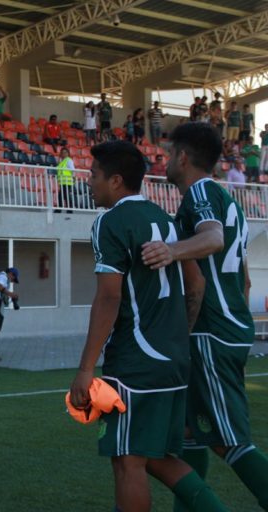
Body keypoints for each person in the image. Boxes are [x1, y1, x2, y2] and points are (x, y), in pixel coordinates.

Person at [68, 140, 226, 512]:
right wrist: (178, 336)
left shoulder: (110, 221)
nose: (89, 183)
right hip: (172, 359)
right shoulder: (165, 219)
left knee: (128, 461)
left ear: (116, 181)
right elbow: (196, 283)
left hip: (136, 363)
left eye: (93, 176)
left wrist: (86, 369)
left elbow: (109, 298)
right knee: (156, 458)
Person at [140, 122, 268, 512]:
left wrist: (170, 250)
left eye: (169, 151)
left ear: (183, 156)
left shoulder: (200, 193)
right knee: (189, 433)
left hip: (212, 332)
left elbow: (213, 238)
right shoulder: (228, 201)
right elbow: (244, 280)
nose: (163, 158)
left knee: (229, 439)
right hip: (223, 328)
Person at [55, 147, 75, 212]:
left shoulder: (68, 160)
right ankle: (68, 209)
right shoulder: (61, 161)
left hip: (67, 181)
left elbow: (72, 170)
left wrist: (73, 177)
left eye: (65, 152)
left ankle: (62, 209)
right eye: (62, 153)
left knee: (63, 195)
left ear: (68, 153)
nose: (64, 154)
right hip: (62, 181)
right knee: (64, 195)